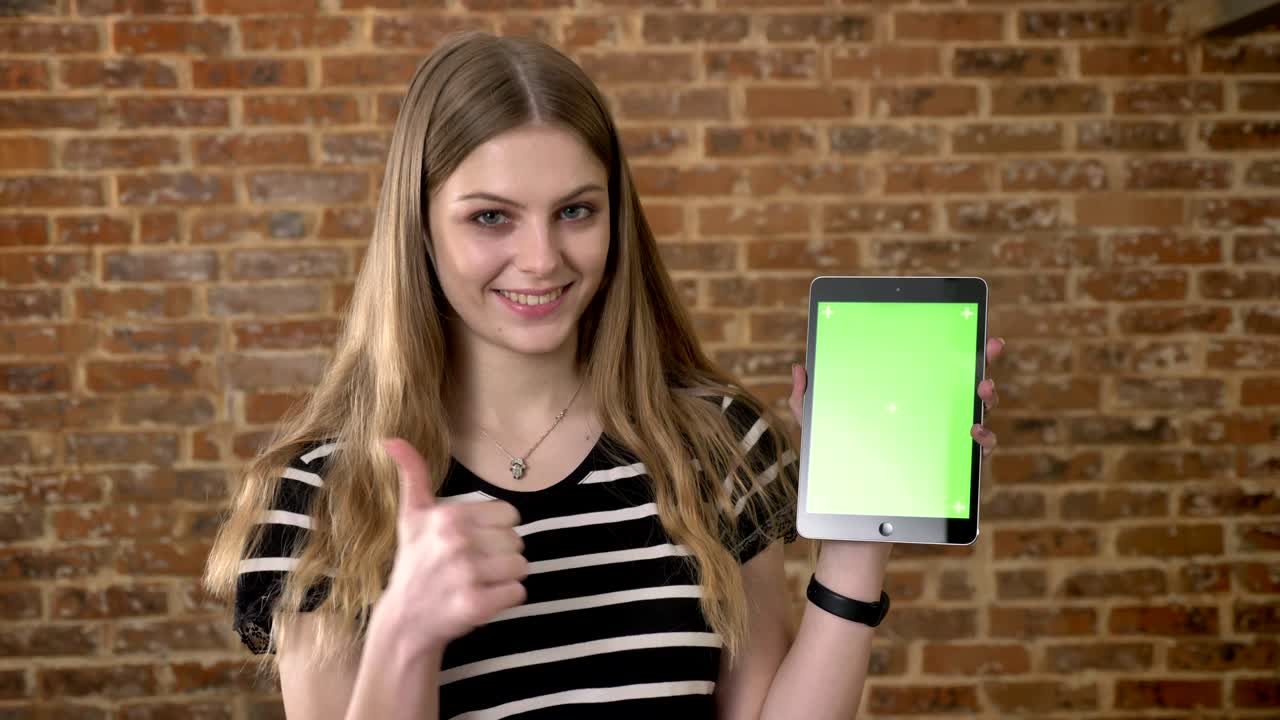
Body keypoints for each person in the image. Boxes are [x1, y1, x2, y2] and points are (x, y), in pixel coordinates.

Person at [204, 31, 1003, 720]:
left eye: (576, 211)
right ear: (418, 228)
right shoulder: (323, 499)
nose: (543, 258)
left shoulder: (715, 442)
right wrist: (406, 633)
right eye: (491, 217)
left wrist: (857, 551)